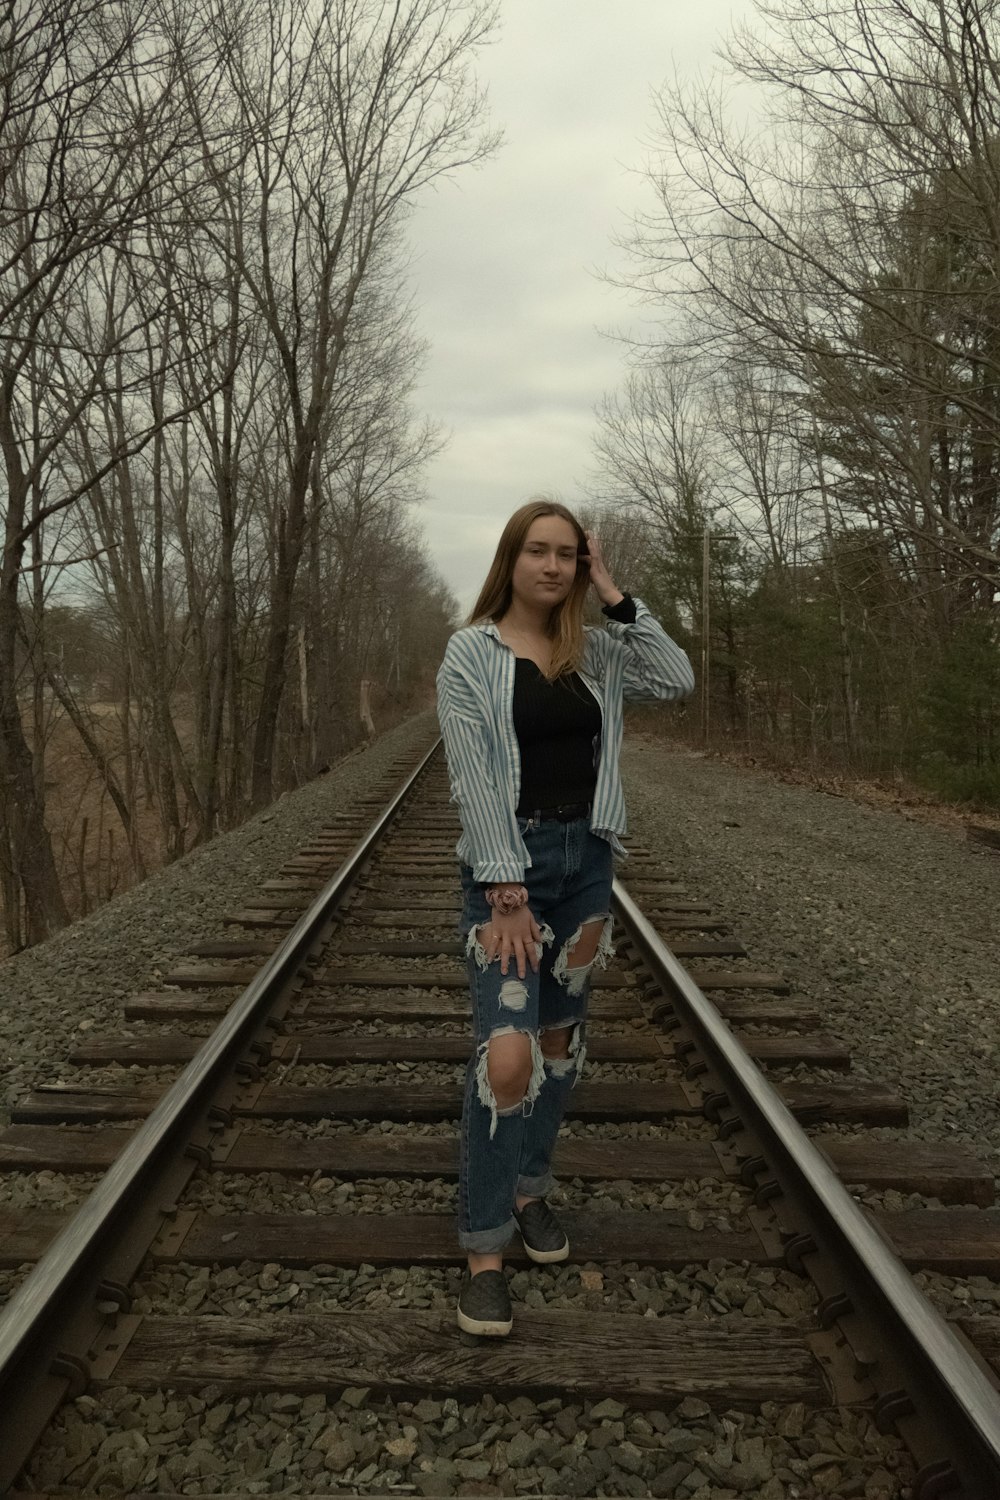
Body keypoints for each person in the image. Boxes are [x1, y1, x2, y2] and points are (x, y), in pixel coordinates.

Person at [435, 498, 695, 1336]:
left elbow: (678, 679)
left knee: (558, 1043)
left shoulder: (601, 647)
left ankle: (530, 1188)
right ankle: (484, 1249)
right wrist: (505, 889)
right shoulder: (469, 655)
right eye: (536, 552)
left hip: (587, 864)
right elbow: (474, 775)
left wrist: (615, 592)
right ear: (510, 559)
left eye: (567, 555)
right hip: (507, 875)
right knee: (507, 1056)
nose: (551, 567)